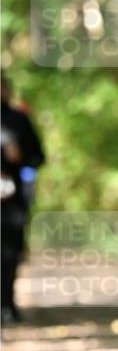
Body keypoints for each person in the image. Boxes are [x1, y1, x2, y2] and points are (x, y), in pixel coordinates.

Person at [1, 74, 46, 325]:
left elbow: (38, 157)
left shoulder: (18, 120)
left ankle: (7, 304)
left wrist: (20, 158)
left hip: (12, 198)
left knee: (9, 253)